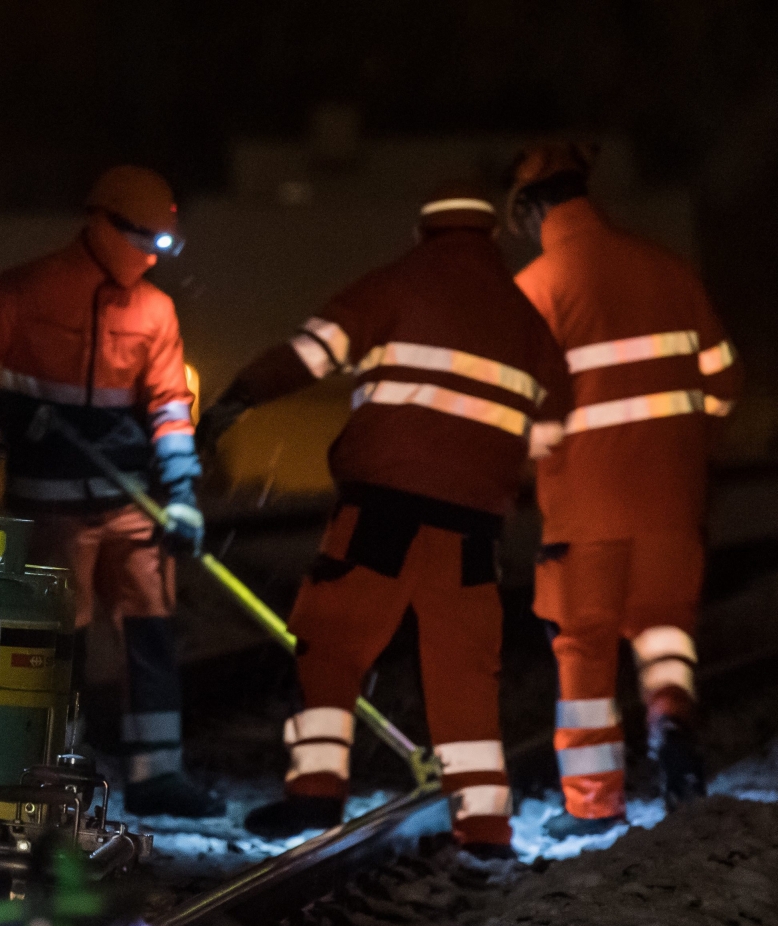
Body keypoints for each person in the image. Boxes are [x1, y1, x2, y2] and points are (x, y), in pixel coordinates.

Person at [197, 182, 573, 858]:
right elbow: (555, 426)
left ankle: (315, 794)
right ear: (489, 238)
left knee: (330, 642)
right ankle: (484, 828)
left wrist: (235, 401)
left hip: (384, 513)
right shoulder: (525, 320)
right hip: (473, 529)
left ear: (427, 231)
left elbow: (308, 355)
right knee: (464, 676)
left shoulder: (394, 285)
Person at [0, 166, 221, 818]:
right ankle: (52, 775)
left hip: (132, 505)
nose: (152, 257)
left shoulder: (155, 310)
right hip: (50, 510)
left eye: (163, 246)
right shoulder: (24, 293)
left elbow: (169, 408)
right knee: (54, 648)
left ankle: (158, 775)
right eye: (146, 241)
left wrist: (181, 493)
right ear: (103, 224)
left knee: (151, 630)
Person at [507, 142, 743, 838]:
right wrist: (687, 449)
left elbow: (516, 415)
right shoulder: (668, 269)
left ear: (531, 209)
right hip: (673, 505)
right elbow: (724, 381)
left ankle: (592, 803)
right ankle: (672, 726)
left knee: (583, 650)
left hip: (585, 515)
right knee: (665, 631)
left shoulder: (535, 292)